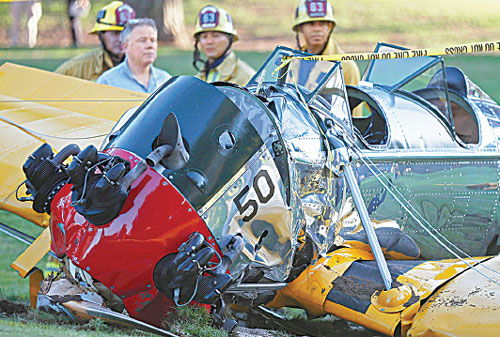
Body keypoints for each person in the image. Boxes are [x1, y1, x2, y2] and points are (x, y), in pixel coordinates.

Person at [54, 1, 135, 81]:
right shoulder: (79, 67)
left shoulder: (145, 67)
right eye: (115, 32)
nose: (121, 39)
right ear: (100, 35)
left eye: (126, 33)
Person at [292, 0, 360, 87]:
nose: (317, 29)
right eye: (311, 23)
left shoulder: (346, 67)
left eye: (322, 23)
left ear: (329, 27)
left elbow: (354, 100)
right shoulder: (292, 62)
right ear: (300, 28)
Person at [97, 18, 172, 93]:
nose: (150, 45)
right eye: (142, 40)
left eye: (153, 40)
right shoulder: (107, 82)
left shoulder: (166, 81)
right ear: (125, 46)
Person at [193, 5, 255, 87]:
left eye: (215, 36)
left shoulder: (247, 76)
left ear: (230, 39)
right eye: (204, 37)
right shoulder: (200, 77)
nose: (209, 41)